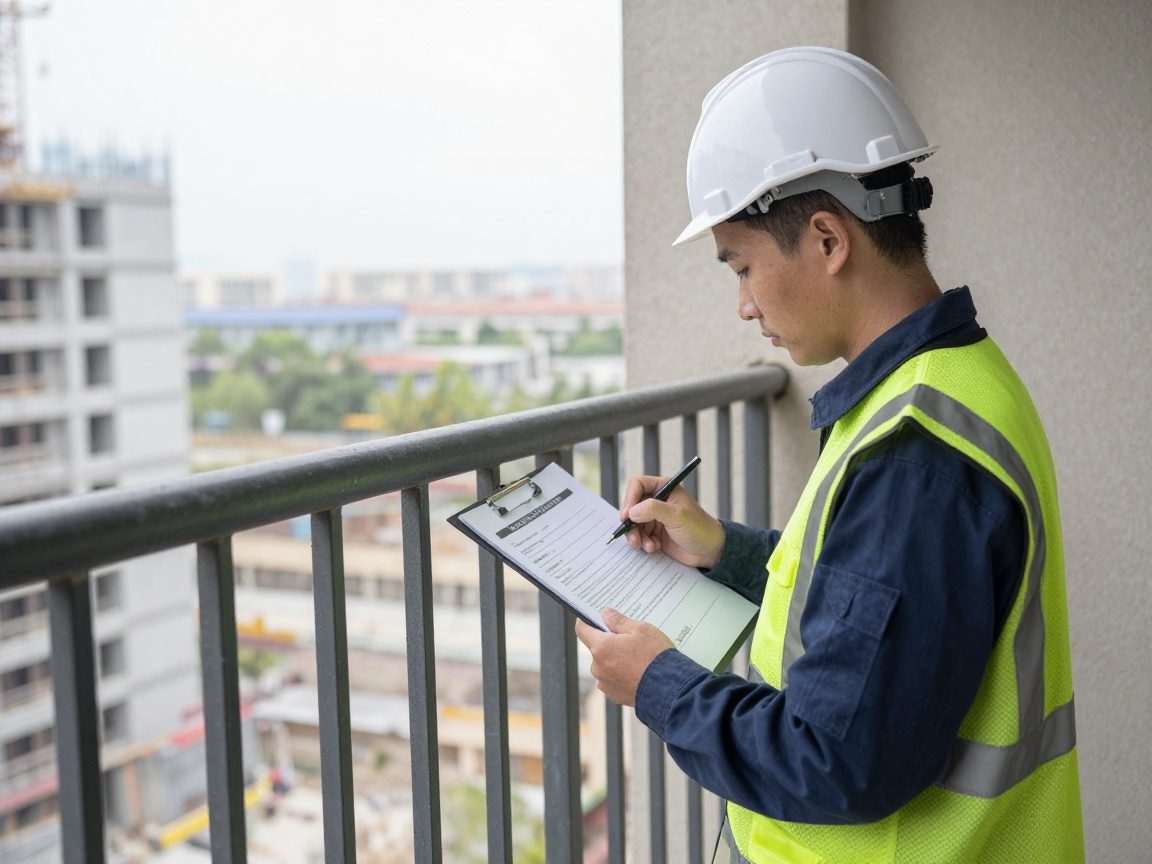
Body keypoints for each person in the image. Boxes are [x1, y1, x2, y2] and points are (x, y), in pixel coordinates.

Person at [574, 46, 1084, 863]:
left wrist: (660, 686)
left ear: (826, 239)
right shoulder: (941, 386)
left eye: (742, 266)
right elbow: (877, 606)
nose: (743, 304)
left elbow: (838, 758)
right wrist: (725, 551)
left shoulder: (916, 455)